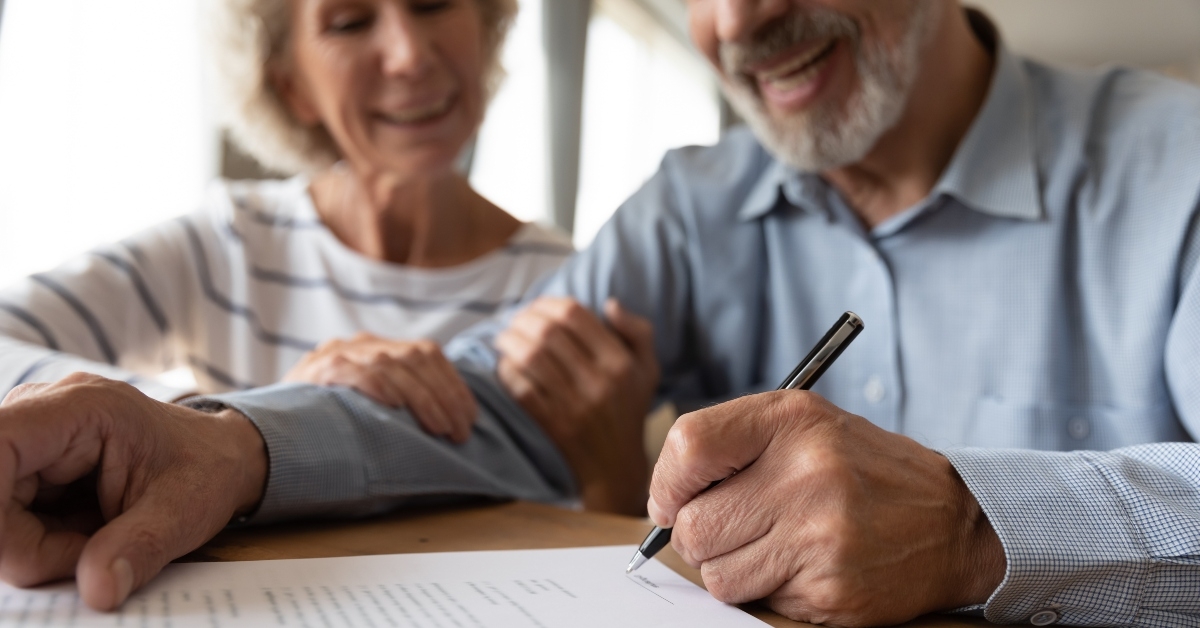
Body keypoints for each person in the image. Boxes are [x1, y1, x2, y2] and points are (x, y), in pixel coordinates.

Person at [1, 1, 1199, 626]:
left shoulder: (1176, 169)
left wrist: (970, 529)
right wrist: (227, 442)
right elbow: (483, 402)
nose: (739, 18)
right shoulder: (688, 206)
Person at [0, 0, 573, 442]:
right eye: (349, 22)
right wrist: (238, 423)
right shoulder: (230, 243)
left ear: (486, 26)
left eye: (433, 2)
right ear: (292, 86)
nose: (410, 55)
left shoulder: (570, 284)